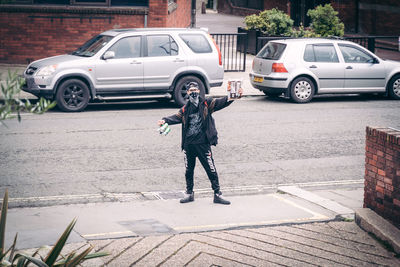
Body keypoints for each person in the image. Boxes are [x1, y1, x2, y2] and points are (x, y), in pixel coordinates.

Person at [158, 82, 242, 205]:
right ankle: (189, 193)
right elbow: (176, 117)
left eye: (196, 90)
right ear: (187, 93)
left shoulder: (207, 104)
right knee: (188, 170)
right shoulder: (185, 108)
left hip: (203, 144)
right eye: (191, 90)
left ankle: (217, 194)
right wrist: (164, 120)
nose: (194, 92)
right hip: (189, 145)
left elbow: (222, 102)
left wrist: (233, 96)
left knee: (211, 169)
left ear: (199, 91)